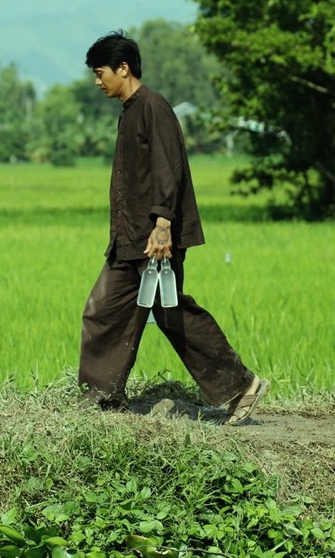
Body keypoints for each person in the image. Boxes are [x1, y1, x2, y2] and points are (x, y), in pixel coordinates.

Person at [78, 31, 269, 424]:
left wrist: (162, 224)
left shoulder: (153, 107)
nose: (98, 82)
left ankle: (241, 385)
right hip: (129, 240)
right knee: (103, 311)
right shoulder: (131, 110)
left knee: (171, 312)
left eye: (100, 73)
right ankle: (101, 397)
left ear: (123, 68)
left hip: (152, 238)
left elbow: (170, 168)